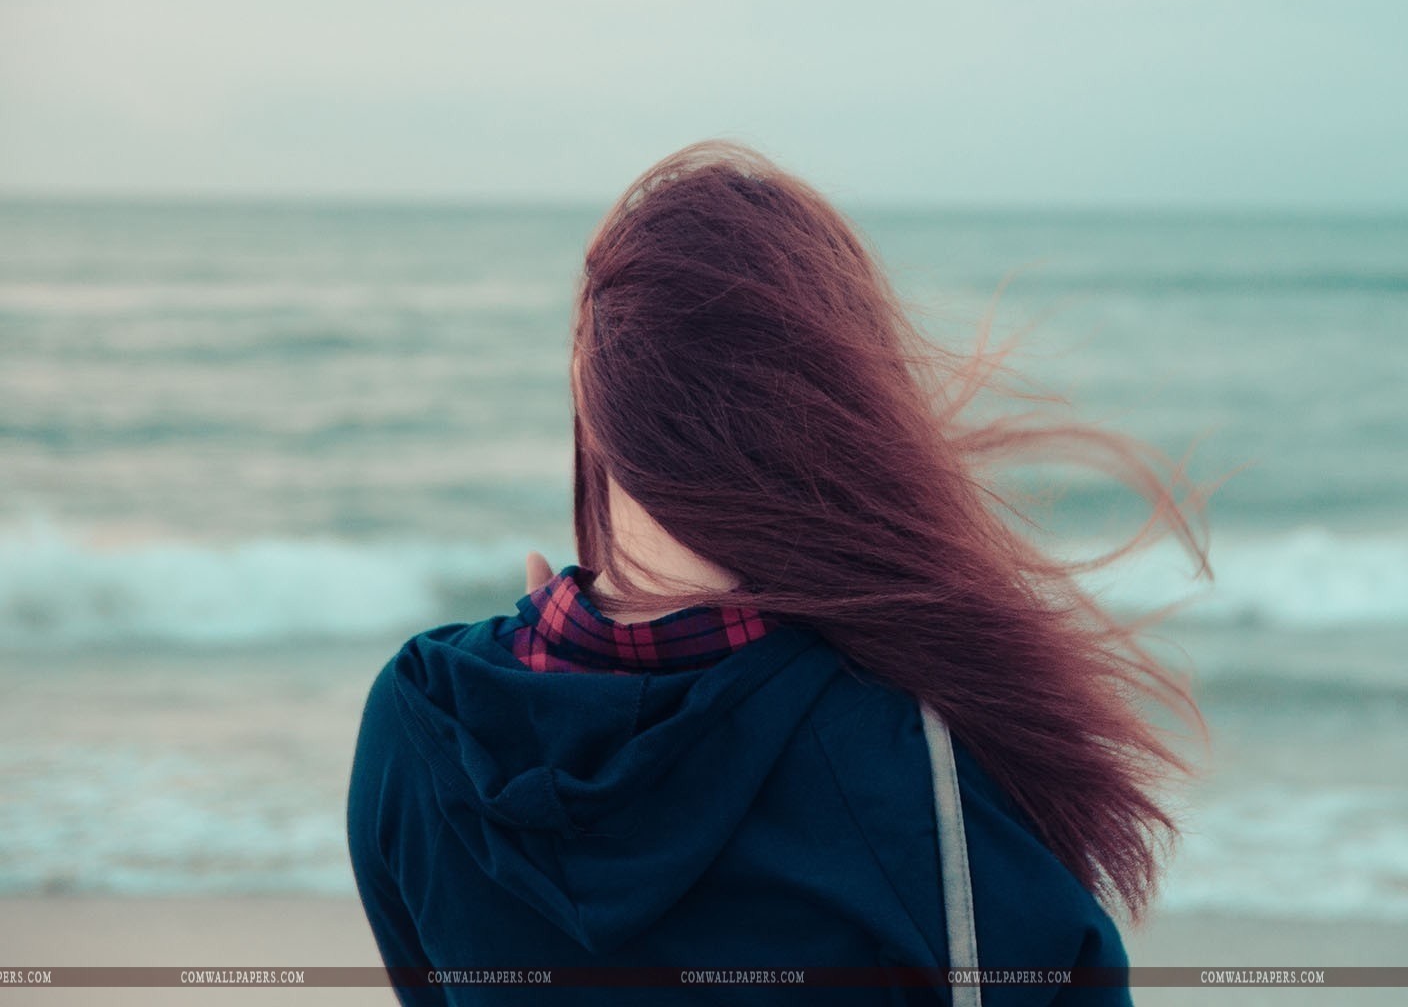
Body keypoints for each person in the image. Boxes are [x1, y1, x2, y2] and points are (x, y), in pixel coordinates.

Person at [345, 141, 1212, 1004]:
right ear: (849, 411)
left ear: (595, 400)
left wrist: (558, 694)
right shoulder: (922, 772)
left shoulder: (423, 730)